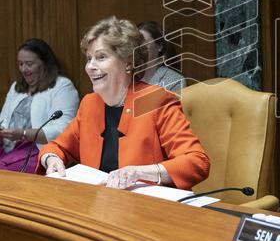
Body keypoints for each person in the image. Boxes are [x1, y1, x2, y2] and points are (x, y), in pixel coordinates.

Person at [39, 16, 210, 190]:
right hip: (99, 207)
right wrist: (52, 159)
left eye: (101, 57)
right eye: (89, 58)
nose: (90, 66)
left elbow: (196, 161)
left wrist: (139, 173)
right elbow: (56, 147)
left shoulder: (156, 101)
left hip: (149, 209)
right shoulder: (90, 103)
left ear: (128, 63)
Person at [0, 38, 80, 172]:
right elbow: (4, 119)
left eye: (29, 64)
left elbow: (63, 130)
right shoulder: (16, 87)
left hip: (39, 149)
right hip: (8, 147)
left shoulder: (62, 86)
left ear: (45, 63)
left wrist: (23, 134)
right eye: (20, 64)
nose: (24, 69)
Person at [137, 20, 185, 94]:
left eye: (144, 43)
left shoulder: (175, 81)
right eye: (137, 43)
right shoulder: (128, 76)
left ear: (159, 46)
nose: (139, 48)